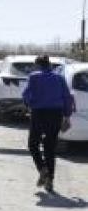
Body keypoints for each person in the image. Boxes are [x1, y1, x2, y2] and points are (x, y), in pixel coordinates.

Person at [22, 55, 74, 193]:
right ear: (49, 65)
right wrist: (67, 116)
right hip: (55, 114)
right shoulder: (59, 78)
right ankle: (50, 180)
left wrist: (28, 105)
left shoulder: (33, 77)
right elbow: (67, 97)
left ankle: (42, 169)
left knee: (33, 144)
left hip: (39, 113)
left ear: (38, 65)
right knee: (49, 147)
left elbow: (26, 95)